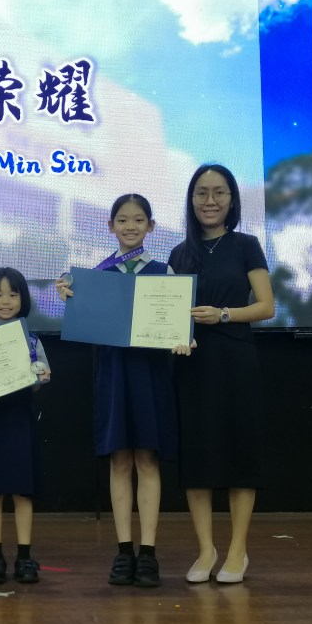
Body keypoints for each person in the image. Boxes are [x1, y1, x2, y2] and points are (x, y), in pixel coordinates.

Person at [57, 194, 190, 588]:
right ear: (110, 226)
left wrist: (185, 336)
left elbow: (178, 325)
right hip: (113, 373)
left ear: (151, 226)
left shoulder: (166, 273)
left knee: (147, 459)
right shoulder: (95, 275)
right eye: (122, 220)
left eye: (138, 220)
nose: (130, 226)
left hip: (150, 374)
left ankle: (148, 553)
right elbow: (83, 321)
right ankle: (124, 551)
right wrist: (69, 296)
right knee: (119, 461)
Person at [168, 163, 274, 584]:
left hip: (235, 360)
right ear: (191, 200)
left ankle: (237, 550)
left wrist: (223, 314)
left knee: (239, 454)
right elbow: (167, 312)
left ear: (232, 200)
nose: (209, 201)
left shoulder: (247, 245)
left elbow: (266, 306)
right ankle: (206, 549)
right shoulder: (179, 253)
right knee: (197, 458)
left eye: (219, 192)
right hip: (191, 363)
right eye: (201, 193)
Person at [0, 267, 51, 585]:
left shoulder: (31, 340)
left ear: (23, 299)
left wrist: (40, 377)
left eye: (13, 294)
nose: (6, 301)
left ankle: (24, 557)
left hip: (20, 420)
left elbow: (38, 380)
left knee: (22, 490)